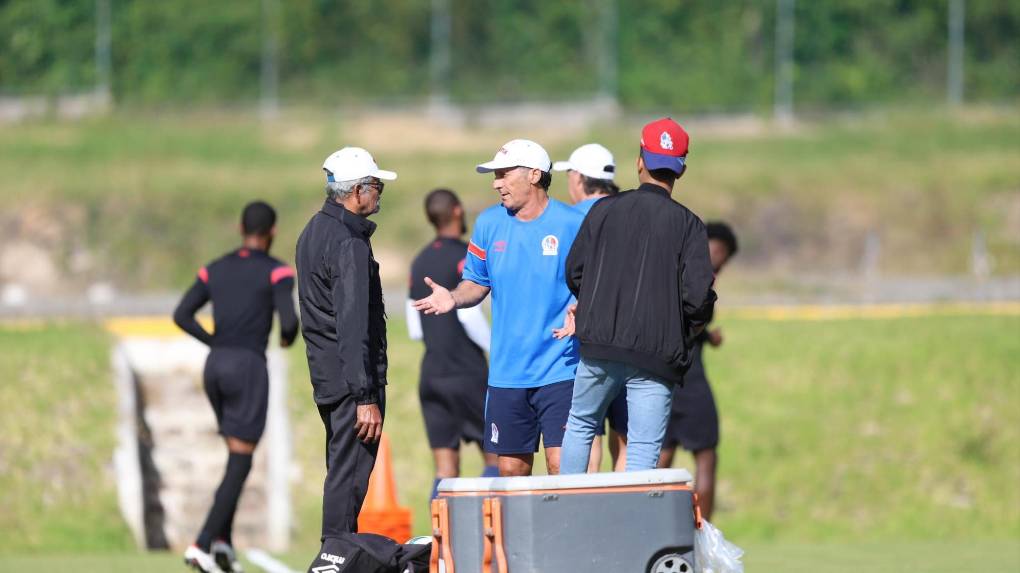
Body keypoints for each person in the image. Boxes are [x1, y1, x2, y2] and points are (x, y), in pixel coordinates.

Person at [413, 139, 582, 477]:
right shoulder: (489, 224)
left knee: (562, 468)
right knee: (511, 472)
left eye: (504, 174)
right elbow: (476, 283)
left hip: (561, 368)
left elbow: (596, 281)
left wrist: (584, 310)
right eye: (495, 175)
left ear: (534, 175)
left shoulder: (572, 223)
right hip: (508, 373)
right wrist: (454, 297)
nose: (496, 183)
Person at [559, 117, 717, 473]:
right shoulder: (689, 225)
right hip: (657, 355)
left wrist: (598, 306)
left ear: (639, 160)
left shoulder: (603, 210)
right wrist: (684, 331)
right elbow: (698, 298)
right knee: (643, 447)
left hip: (599, 345)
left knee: (582, 425)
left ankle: (564, 510)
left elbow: (574, 272)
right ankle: (634, 526)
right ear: (682, 170)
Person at [173, 201, 298, 573]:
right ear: (272, 232)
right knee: (242, 461)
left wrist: (214, 343)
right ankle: (201, 544)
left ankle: (223, 543)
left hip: (215, 367)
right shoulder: (277, 272)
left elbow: (182, 314)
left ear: (239, 227)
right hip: (247, 367)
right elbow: (289, 323)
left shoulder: (215, 268)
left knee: (234, 458)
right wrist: (287, 339)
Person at [295, 147, 394, 573]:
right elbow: (353, 327)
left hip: (328, 378)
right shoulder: (348, 243)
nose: (379, 194)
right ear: (356, 192)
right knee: (348, 479)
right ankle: (331, 563)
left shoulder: (313, 231)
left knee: (341, 471)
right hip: (352, 385)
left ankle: (334, 558)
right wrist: (365, 395)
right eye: (376, 186)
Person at [405, 188, 500, 498]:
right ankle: (491, 534)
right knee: (496, 458)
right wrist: (493, 348)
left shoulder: (419, 261)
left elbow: (414, 327)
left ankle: (442, 543)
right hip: (467, 371)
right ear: (457, 211)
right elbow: (469, 317)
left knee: (445, 470)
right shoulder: (464, 256)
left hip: (432, 372)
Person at [552, 143, 626, 472]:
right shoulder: (630, 212)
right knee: (626, 439)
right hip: (630, 341)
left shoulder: (568, 218)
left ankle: (586, 518)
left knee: (586, 433)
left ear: (579, 177)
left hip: (580, 347)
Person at [659, 221, 738, 521]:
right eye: (717, 250)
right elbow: (686, 320)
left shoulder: (672, 270)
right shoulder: (696, 278)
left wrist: (706, 337)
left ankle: (652, 530)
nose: (718, 259)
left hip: (661, 376)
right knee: (706, 455)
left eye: (723, 256)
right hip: (689, 380)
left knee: (661, 456)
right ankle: (703, 533)